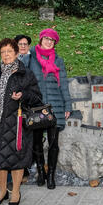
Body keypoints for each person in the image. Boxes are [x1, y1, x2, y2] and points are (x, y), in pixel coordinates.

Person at [0, 38, 43, 205]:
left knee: (17, 158)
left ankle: (16, 192)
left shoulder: (25, 73)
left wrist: (23, 96)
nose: (6, 55)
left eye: (9, 52)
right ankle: (2, 190)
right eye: (3, 52)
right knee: (0, 158)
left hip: (17, 124)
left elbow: (37, 98)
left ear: (16, 53)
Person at [26, 28, 72, 189]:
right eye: (46, 39)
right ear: (40, 40)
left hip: (55, 105)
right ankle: (40, 170)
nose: (48, 42)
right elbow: (23, 80)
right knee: (37, 142)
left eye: (51, 40)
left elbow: (64, 84)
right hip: (37, 107)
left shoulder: (58, 60)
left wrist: (68, 105)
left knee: (53, 143)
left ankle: (51, 175)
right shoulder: (30, 58)